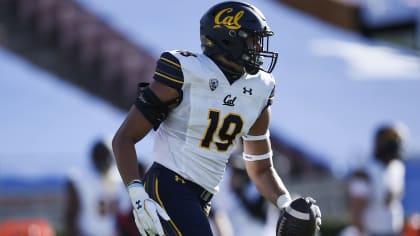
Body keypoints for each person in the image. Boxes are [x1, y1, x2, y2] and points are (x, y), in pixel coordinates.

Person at [112, 1, 321, 236]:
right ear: (228, 39)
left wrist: (285, 203)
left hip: (204, 197)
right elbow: (124, 138)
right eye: (253, 39)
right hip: (168, 185)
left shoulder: (260, 89)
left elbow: (261, 168)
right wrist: (137, 194)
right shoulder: (185, 71)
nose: (259, 46)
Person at [344, 122, 408, 236]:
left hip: (394, 231)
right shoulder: (365, 172)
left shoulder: (398, 168)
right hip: (372, 232)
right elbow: (356, 208)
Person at [65, 139, 124, 236]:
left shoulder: (119, 180)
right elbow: (71, 216)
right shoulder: (80, 180)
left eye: (106, 156)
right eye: (101, 157)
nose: (105, 161)